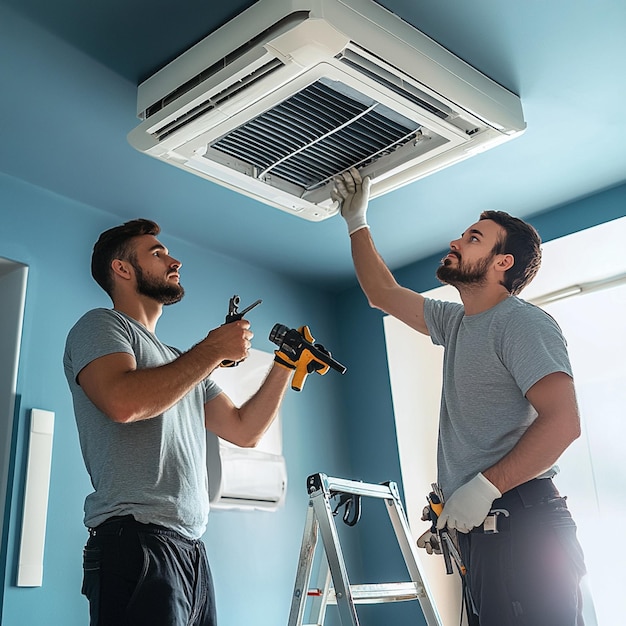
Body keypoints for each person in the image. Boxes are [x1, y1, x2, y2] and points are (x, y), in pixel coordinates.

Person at [332, 169, 587, 625]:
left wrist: (485, 488)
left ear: (501, 262)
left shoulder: (521, 323)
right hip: (487, 532)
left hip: (524, 526)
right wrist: (357, 220)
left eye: (473, 238)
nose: (456, 241)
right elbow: (382, 293)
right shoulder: (456, 324)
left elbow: (564, 422)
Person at [63, 218, 309, 626]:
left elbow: (244, 430)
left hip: (190, 549)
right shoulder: (100, 326)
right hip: (136, 541)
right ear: (122, 269)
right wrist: (213, 349)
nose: (173, 260)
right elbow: (123, 403)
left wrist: (286, 362)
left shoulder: (182, 361)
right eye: (156, 253)